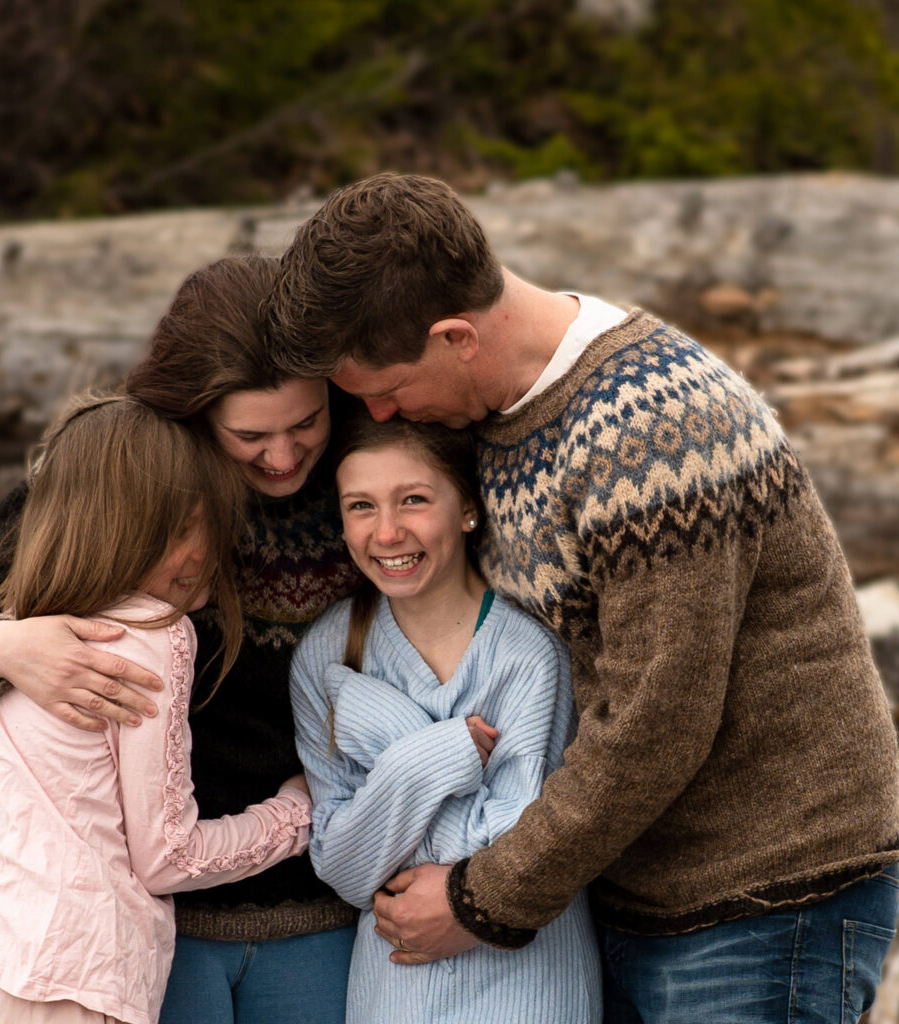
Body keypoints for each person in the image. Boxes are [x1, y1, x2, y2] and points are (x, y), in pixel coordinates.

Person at [264, 172, 899, 1022]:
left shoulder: (650, 428)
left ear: (455, 337)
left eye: (383, 388)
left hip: (762, 893)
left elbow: (657, 716)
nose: (377, 412)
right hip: (628, 887)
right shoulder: (496, 413)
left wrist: (480, 898)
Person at [0, 257, 362, 1024]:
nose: (282, 457)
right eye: (250, 435)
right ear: (194, 413)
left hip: (319, 915)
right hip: (153, 936)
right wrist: (2, 648)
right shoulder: (121, 483)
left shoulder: (365, 476)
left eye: (305, 424)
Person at [0, 392, 313, 1024]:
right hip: (82, 986)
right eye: (185, 527)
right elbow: (170, 856)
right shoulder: (153, 631)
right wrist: (296, 813)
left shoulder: (16, 631)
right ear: (120, 529)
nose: (205, 549)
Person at [290, 412, 601, 1023]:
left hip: (530, 982)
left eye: (413, 500)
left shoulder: (531, 650)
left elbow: (521, 842)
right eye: (361, 506)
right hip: (394, 984)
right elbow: (346, 868)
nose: (386, 532)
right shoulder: (326, 656)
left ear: (467, 508)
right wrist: (435, 757)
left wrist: (389, 777)